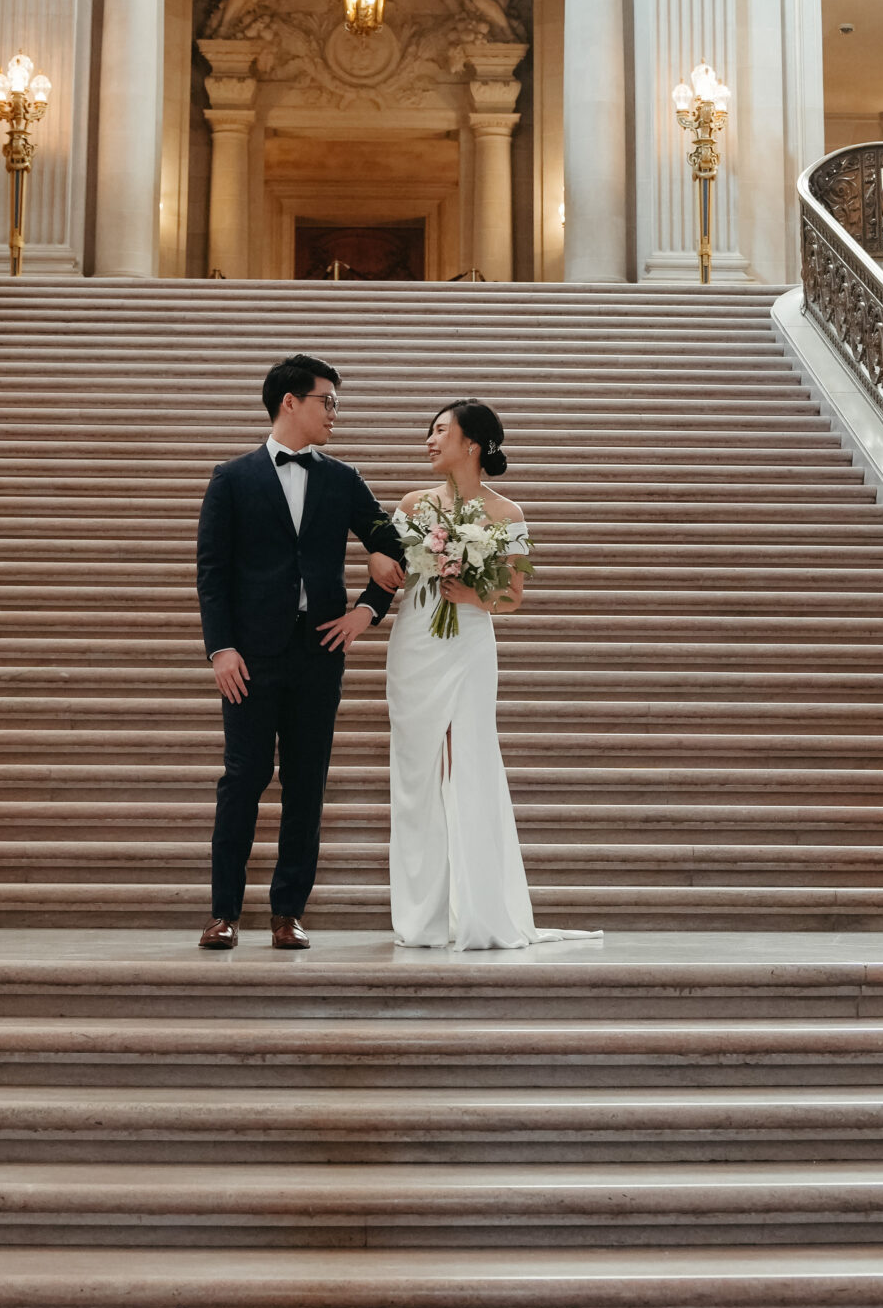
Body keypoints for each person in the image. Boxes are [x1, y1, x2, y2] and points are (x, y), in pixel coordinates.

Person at [197, 352, 405, 950]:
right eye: (327, 401)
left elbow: (396, 545)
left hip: (319, 651)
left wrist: (368, 607)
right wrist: (221, 649)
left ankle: (288, 912)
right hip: (250, 657)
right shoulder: (231, 479)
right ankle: (223, 913)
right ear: (290, 402)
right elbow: (211, 574)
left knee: (307, 783)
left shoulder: (343, 479)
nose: (336, 413)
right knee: (244, 778)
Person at [386, 399, 597, 949]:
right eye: (428, 432)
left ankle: (481, 913)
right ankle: (420, 920)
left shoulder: (507, 516)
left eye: (439, 431)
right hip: (415, 642)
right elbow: (385, 565)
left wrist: (472, 593)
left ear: (471, 443)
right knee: (415, 778)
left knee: (471, 765)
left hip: (469, 646)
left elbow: (514, 595)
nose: (429, 442)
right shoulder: (412, 503)